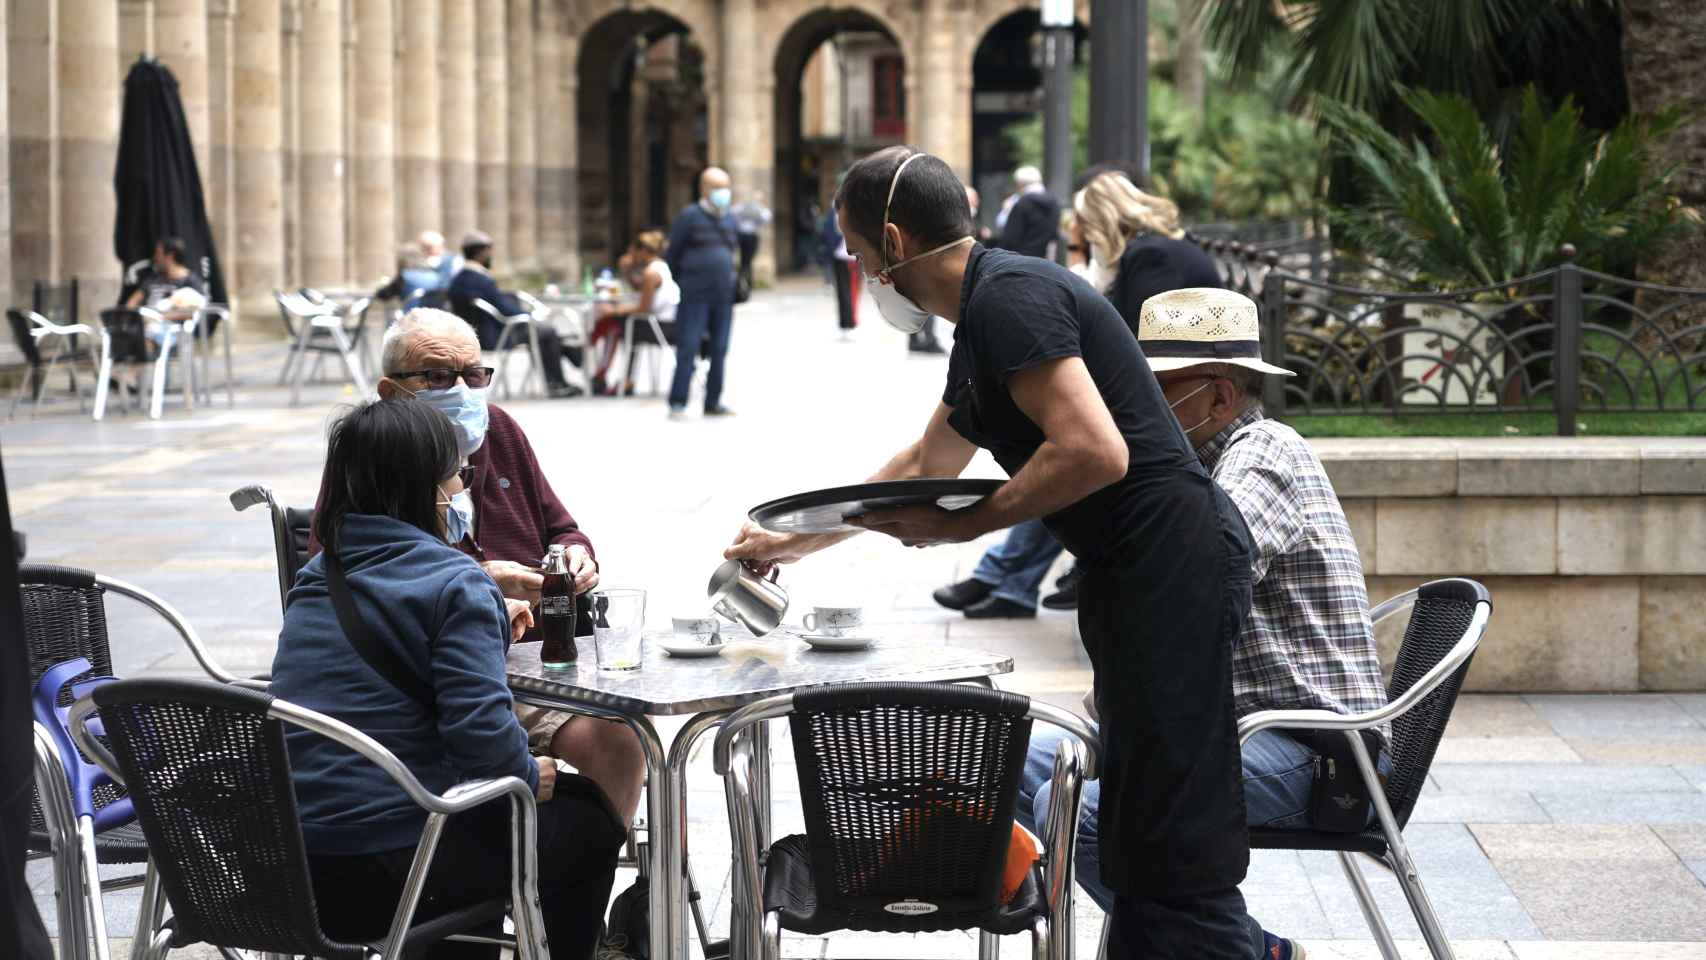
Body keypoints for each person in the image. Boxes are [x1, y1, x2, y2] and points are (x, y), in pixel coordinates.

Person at [724, 147, 1262, 960]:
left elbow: (1093, 451)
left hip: (1172, 564)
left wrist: (967, 528)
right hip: (1136, 573)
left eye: (857, 251)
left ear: (894, 241)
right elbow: (923, 466)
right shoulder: (984, 317)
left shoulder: (1010, 299)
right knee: (1141, 822)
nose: (859, 269)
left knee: (1169, 829)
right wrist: (791, 541)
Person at [1017, 287, 1390, 960]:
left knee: (1086, 814)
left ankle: (1235, 951)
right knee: (1016, 765)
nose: (1132, 406)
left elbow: (1189, 585)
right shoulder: (1193, 464)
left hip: (1312, 749)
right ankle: (1224, 946)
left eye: (1156, 391)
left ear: (1219, 397)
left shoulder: (1262, 454)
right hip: (1215, 728)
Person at [272, 399, 624, 960]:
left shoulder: (320, 574)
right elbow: (487, 753)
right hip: (394, 872)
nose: (463, 487)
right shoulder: (456, 583)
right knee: (587, 821)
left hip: (293, 868)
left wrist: (487, 633)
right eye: (459, 474)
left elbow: (377, 672)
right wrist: (530, 773)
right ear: (427, 487)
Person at [305, 308, 647, 826]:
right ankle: (529, 873)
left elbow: (562, 526)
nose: (463, 390)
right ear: (393, 390)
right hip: (442, 664)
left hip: (533, 653)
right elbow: (343, 572)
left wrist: (575, 554)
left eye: (475, 375)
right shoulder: (373, 452)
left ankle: (628, 882)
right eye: (439, 376)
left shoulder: (500, 431)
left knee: (625, 738)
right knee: (550, 787)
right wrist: (481, 584)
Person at [1066, 171, 1220, 321]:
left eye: (1086, 230)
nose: (1088, 239)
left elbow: (1142, 333)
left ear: (1101, 226)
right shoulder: (1154, 245)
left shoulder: (1150, 256)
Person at [448, 230, 581, 399]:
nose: (491, 256)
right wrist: (529, 315)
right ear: (481, 253)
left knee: (543, 333)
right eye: (489, 252)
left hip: (478, 333)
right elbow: (503, 308)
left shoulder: (459, 278)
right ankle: (559, 378)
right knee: (547, 332)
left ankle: (558, 375)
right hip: (494, 335)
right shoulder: (480, 279)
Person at [664, 166, 740, 419]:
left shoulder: (729, 218)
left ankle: (713, 401)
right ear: (704, 189)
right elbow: (672, 255)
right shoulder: (689, 216)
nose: (724, 193)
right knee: (688, 346)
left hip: (723, 295)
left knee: (720, 348)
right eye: (718, 188)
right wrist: (687, 281)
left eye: (726, 187)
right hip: (695, 295)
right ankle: (678, 402)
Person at [590, 230, 680, 395]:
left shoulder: (651, 273)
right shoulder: (660, 267)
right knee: (621, 324)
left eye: (633, 251)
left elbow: (642, 307)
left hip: (662, 328)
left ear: (643, 251)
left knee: (615, 325)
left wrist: (614, 310)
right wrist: (626, 270)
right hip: (666, 325)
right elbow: (639, 290)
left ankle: (603, 369)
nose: (630, 255)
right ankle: (624, 379)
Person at [994, 165, 1060, 259]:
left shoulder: (1022, 204)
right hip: (1046, 259)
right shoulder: (1054, 202)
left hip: (1023, 260)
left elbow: (1011, 238)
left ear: (1020, 184)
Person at [731, 190, 773, 292]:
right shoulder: (742, 207)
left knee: (747, 260)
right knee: (745, 261)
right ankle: (744, 281)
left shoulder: (757, 209)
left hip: (750, 236)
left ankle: (746, 280)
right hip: (744, 236)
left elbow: (767, 217)